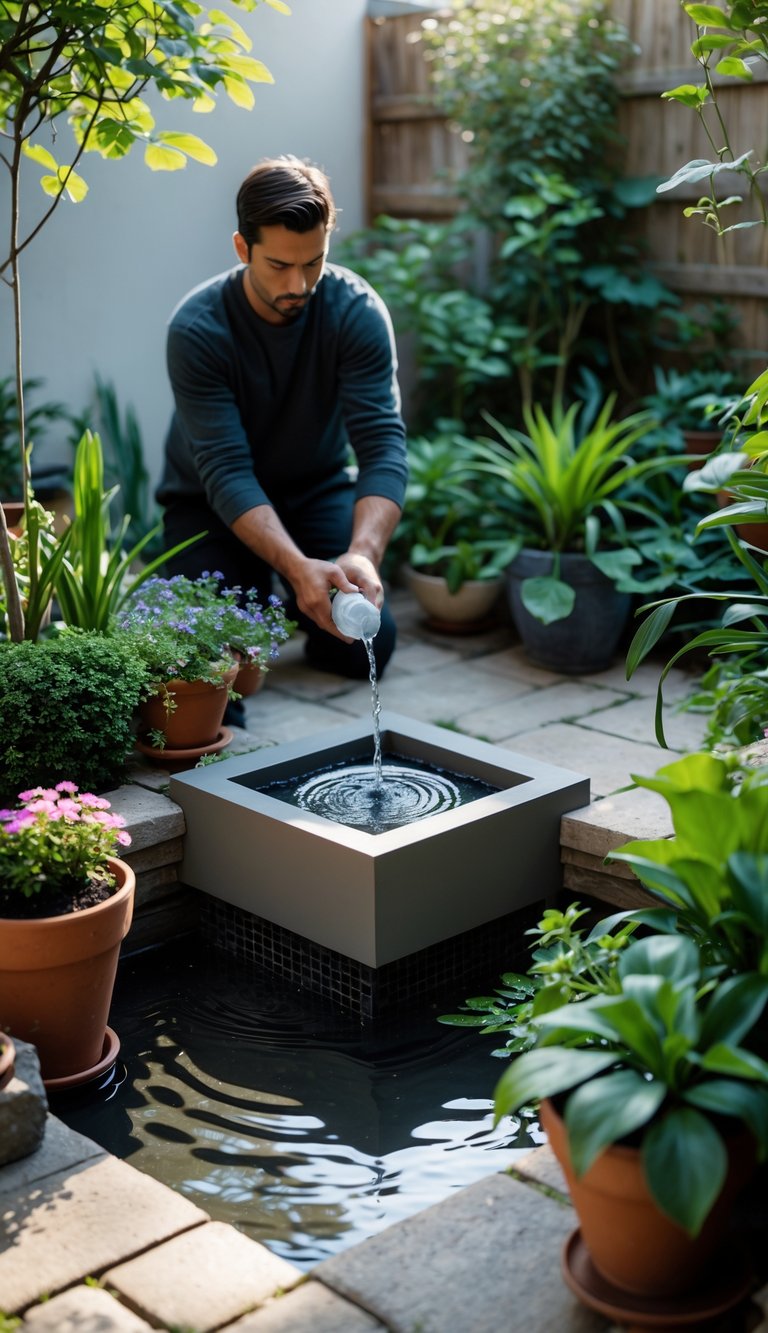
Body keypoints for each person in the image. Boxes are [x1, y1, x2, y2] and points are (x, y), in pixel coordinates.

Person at [156, 155, 408, 698]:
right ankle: (269, 602)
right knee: (211, 677)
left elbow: (383, 444)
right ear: (243, 248)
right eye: (278, 266)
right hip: (207, 504)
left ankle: (294, 612)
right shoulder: (198, 329)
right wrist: (296, 568)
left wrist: (361, 553)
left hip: (314, 488)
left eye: (313, 263)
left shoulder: (356, 311)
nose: (299, 284)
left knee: (368, 643)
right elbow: (225, 470)